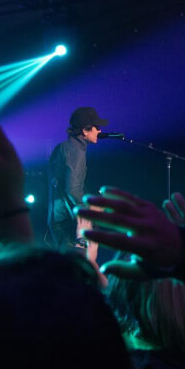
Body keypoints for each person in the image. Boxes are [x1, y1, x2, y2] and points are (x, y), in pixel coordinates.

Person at [47, 106, 108, 259]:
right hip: (68, 224)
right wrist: (89, 212)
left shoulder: (65, 147)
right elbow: (73, 189)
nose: (99, 131)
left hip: (61, 219)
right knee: (79, 268)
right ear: (85, 130)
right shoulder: (75, 152)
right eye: (96, 127)